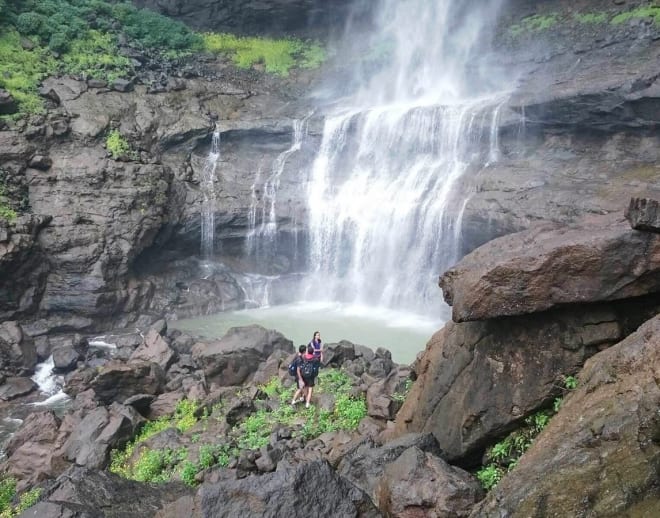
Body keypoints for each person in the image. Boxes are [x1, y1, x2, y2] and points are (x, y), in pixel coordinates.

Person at [298, 344, 319, 408]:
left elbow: (300, 357)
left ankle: (304, 398)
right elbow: (317, 366)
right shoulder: (315, 358)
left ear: (307, 351)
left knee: (305, 388)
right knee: (310, 390)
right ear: (313, 352)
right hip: (311, 376)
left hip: (304, 375)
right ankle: (307, 403)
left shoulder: (304, 357)